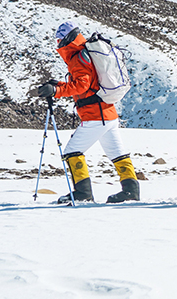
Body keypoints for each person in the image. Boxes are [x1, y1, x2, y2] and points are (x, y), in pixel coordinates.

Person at [29, 21, 141, 204]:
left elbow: (82, 85)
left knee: (72, 152)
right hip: (107, 113)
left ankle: (83, 193)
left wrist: (56, 91)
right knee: (117, 153)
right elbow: (88, 83)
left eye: (59, 40)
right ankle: (131, 191)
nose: (58, 43)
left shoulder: (77, 57)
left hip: (95, 116)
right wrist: (58, 85)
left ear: (66, 39)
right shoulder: (85, 53)